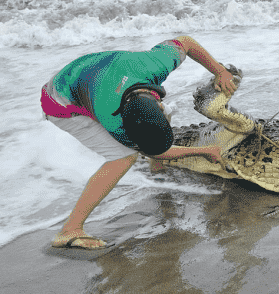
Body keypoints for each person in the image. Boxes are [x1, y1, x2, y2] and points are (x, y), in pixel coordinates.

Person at [43, 36, 237, 250]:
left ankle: (157, 169)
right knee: (123, 157)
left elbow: (186, 42)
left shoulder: (157, 63)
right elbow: (152, 151)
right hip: (59, 100)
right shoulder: (114, 120)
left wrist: (219, 71)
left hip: (93, 72)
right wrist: (204, 151)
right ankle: (69, 230)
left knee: (165, 115)